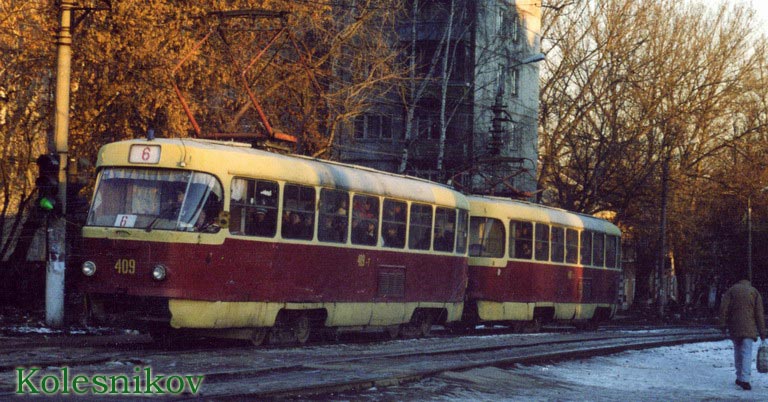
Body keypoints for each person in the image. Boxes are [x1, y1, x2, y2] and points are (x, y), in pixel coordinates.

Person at [719, 275, 767, 391]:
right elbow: (759, 314)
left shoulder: (731, 290)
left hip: (734, 327)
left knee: (737, 351)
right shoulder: (754, 292)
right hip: (749, 328)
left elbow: (723, 308)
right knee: (746, 353)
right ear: (748, 281)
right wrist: (762, 333)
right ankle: (745, 379)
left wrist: (723, 325)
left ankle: (739, 376)